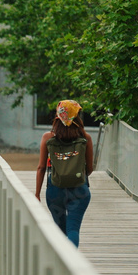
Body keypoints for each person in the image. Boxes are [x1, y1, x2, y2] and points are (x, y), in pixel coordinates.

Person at [35, 100, 94, 247]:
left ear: (58, 115)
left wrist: (37, 194)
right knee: (73, 229)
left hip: (55, 191)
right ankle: (72, 263)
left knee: (60, 232)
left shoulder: (48, 138)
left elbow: (41, 167)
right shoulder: (85, 138)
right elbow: (90, 169)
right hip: (79, 190)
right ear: (76, 116)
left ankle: (62, 265)